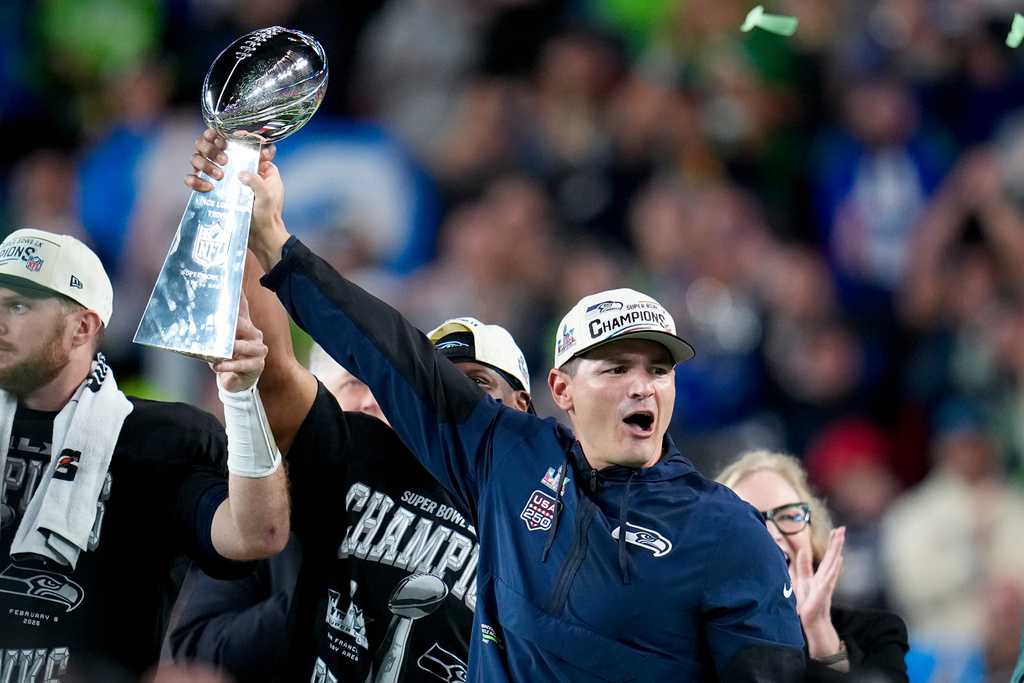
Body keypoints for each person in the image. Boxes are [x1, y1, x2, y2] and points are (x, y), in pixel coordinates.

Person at [187, 129, 805, 680]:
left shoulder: (724, 528)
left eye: (659, 371)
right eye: (616, 369)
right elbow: (387, 352)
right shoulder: (507, 458)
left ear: (526, 396)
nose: (642, 386)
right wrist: (271, 238)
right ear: (561, 391)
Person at [167, 248, 533, 681]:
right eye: (439, 386)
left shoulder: (537, 529)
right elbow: (278, 375)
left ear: (522, 406)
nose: (455, 402)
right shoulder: (359, 448)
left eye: (475, 383)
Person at [0, 228, 289, 681]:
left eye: (18, 306)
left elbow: (257, 535)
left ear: (83, 327)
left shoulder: (157, 437)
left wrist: (242, 399)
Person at [717, 449, 909, 682]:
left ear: (813, 534)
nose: (772, 533)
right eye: (749, 519)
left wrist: (821, 638)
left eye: (789, 516)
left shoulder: (877, 632)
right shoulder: (695, 643)